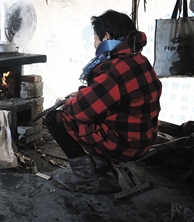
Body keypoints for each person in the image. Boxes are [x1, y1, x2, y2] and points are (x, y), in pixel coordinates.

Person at [45, 10, 162, 190]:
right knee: (94, 111)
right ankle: (101, 163)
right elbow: (112, 93)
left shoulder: (114, 68)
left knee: (54, 119)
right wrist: (81, 95)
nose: (94, 43)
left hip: (124, 145)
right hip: (144, 139)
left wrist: (70, 102)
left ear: (106, 37)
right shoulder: (139, 60)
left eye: (95, 38)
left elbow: (79, 112)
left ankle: (85, 177)